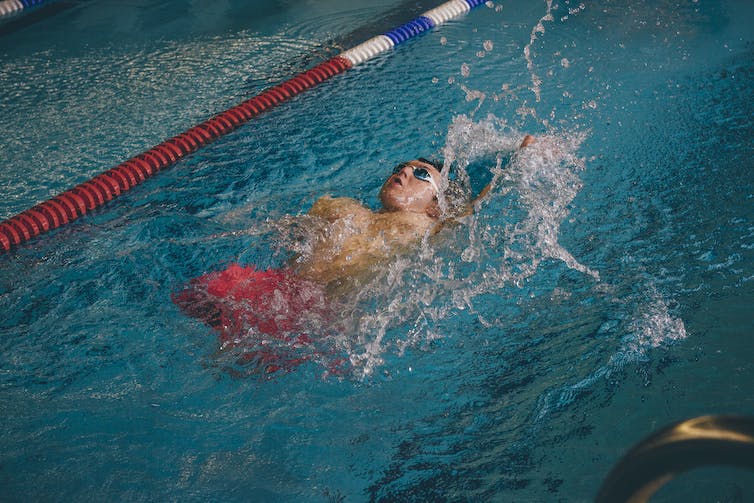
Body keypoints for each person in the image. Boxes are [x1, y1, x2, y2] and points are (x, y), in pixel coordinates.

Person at [173, 135, 535, 374]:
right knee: (190, 302)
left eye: (421, 174)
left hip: (312, 314)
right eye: (401, 168)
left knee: (222, 365)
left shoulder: (425, 227)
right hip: (271, 287)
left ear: (435, 207)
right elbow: (283, 230)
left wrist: (520, 158)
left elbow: (475, 204)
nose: (405, 172)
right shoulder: (341, 207)